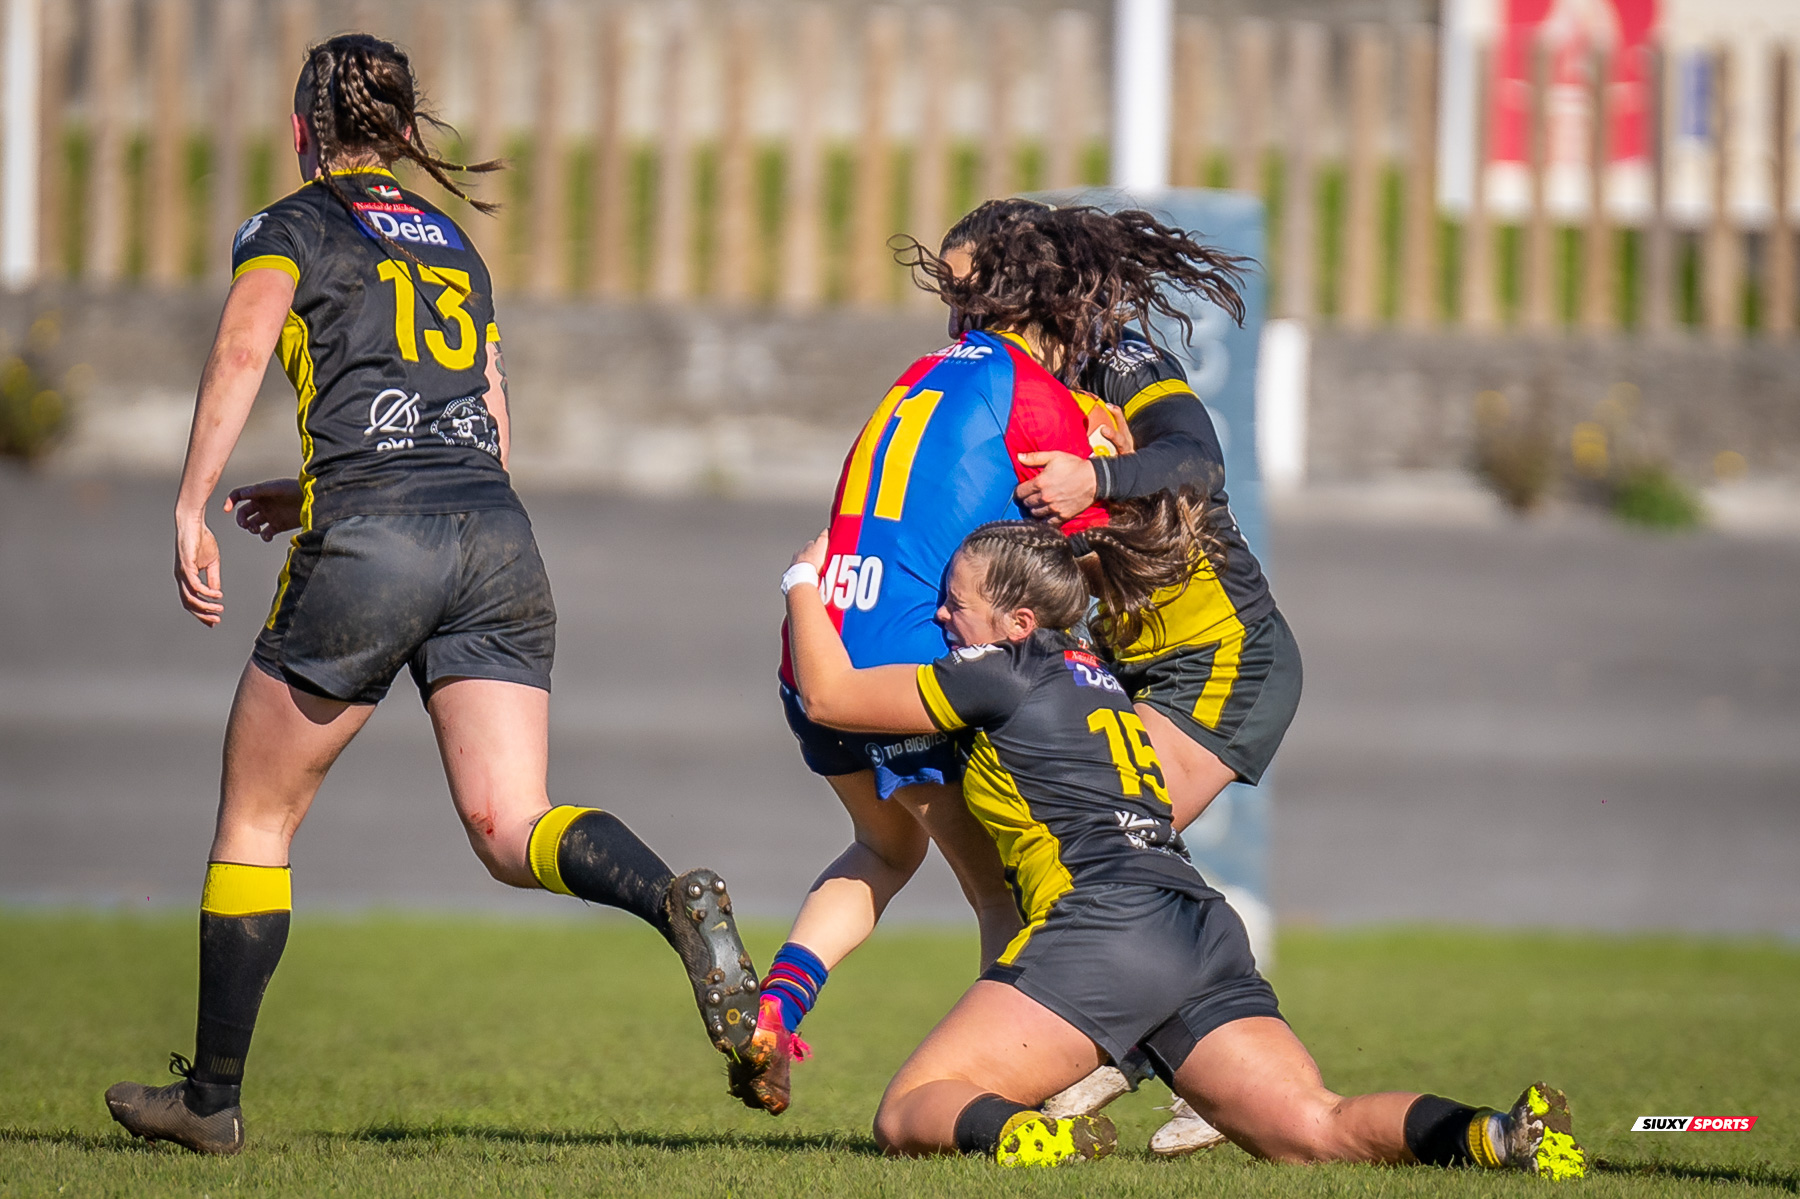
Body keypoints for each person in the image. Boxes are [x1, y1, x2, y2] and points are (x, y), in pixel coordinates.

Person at [102, 34, 758, 1156]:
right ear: (405, 135)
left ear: (303, 129)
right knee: (513, 823)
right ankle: (667, 897)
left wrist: (192, 501)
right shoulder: (454, 241)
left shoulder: (291, 225)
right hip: (495, 536)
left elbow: (241, 347)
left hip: (376, 536)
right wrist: (322, 487)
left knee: (257, 817)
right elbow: (485, 419)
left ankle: (211, 1097)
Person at [780, 514, 1586, 1181]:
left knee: (909, 1106)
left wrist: (804, 585)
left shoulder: (1000, 672)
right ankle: (1496, 1134)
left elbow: (831, 695)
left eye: (957, 604)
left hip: (1105, 927)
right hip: (1197, 922)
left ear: (1019, 623)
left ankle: (1025, 1134)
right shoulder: (1090, 670)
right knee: (1314, 1125)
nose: (943, 618)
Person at [934, 200, 1302, 1153]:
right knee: (1099, 855)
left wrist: (1097, 483)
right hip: (1142, 666)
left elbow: (1197, 459)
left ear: (1026, 282)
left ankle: (1141, 1051)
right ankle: (1173, 1050)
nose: (956, 314)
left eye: (970, 290)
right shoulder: (1003, 382)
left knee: (1111, 853)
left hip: (1222, 655)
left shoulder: (1117, 359)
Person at [733, 218, 1118, 1113]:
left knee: (885, 842)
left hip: (815, 641)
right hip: (905, 668)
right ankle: (1006, 1098)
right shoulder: (1032, 395)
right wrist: (1114, 467)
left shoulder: (921, 374)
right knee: (1002, 889)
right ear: (1056, 303)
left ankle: (777, 1008)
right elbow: (1086, 555)